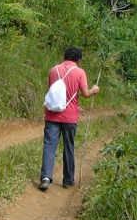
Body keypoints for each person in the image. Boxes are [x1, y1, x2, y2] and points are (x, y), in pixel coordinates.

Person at [39, 47, 99, 191]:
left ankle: (46, 178)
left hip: (52, 114)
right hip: (70, 116)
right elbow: (84, 94)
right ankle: (67, 180)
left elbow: (53, 92)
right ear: (78, 60)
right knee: (69, 147)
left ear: (64, 56)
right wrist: (94, 90)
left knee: (49, 146)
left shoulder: (54, 70)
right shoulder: (79, 72)